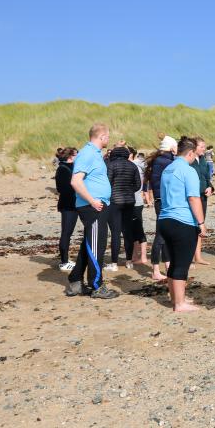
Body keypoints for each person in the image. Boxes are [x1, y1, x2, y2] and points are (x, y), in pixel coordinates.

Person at [64, 123, 119, 299]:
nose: (109, 140)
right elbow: (75, 181)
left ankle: (75, 282)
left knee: (89, 244)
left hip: (98, 205)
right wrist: (92, 201)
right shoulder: (87, 153)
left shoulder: (95, 154)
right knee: (97, 245)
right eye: (108, 137)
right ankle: (96, 286)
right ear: (101, 137)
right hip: (93, 207)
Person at [157, 136, 208, 312]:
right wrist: (201, 222)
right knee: (182, 263)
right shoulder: (188, 170)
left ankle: (177, 299)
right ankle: (179, 304)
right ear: (191, 153)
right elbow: (194, 198)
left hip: (164, 220)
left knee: (174, 262)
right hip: (182, 221)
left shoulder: (168, 169)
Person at [145, 135, 177, 280]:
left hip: (162, 200)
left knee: (165, 234)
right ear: (171, 147)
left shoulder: (163, 160)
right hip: (163, 201)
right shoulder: (165, 161)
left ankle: (167, 265)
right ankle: (155, 270)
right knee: (160, 235)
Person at [105, 144, 141, 272]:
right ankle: (129, 261)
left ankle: (114, 263)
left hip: (114, 201)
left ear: (114, 155)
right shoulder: (132, 165)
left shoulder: (111, 165)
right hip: (129, 201)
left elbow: (107, 183)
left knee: (115, 232)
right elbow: (138, 185)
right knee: (128, 232)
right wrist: (129, 190)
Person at [189, 136, 214, 265]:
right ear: (194, 147)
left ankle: (198, 256)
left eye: (205, 146)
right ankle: (189, 258)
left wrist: (210, 187)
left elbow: (206, 176)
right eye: (202, 147)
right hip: (192, 196)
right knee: (191, 226)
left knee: (200, 224)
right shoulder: (189, 159)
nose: (204, 149)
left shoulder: (203, 159)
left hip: (203, 195)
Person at [54, 147, 78, 271]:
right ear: (70, 156)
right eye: (76, 154)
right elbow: (63, 189)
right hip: (68, 205)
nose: (78, 156)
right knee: (66, 233)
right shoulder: (63, 168)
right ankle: (64, 262)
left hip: (74, 204)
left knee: (68, 232)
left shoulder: (70, 167)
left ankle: (65, 260)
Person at [127, 146, 149, 268]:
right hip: (133, 201)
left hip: (136, 201)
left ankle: (143, 257)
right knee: (132, 230)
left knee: (138, 229)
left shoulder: (134, 165)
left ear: (131, 154)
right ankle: (135, 256)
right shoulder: (135, 165)